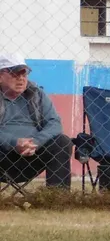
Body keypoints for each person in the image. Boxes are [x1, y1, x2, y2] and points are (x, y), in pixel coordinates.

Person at [0, 53, 71, 189]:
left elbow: (54, 123)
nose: (21, 79)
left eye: (24, 74)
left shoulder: (36, 94)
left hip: (32, 155)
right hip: (2, 156)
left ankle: (57, 198)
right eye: (15, 74)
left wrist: (36, 142)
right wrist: (14, 143)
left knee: (62, 141)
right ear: (0, 76)